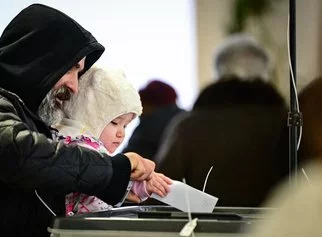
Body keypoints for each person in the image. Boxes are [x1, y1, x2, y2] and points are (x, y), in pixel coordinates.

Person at [0, 4, 156, 237]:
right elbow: (19, 154)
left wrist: (118, 187)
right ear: (40, 60)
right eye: (71, 70)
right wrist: (114, 170)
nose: (75, 86)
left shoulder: (15, 111)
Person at [154, 34, 289, 207]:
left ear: (219, 71)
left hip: (204, 230)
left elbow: (163, 191)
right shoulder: (289, 122)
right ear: (265, 72)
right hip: (276, 228)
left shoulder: (188, 125)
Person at [53, 66, 172, 216]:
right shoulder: (82, 148)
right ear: (90, 115)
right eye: (115, 123)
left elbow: (111, 179)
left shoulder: (63, 141)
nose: (121, 133)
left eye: (126, 126)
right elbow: (103, 177)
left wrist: (142, 185)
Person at [123, 80, 185, 161]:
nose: (139, 112)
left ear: (149, 103)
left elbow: (127, 160)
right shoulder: (187, 118)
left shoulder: (149, 124)